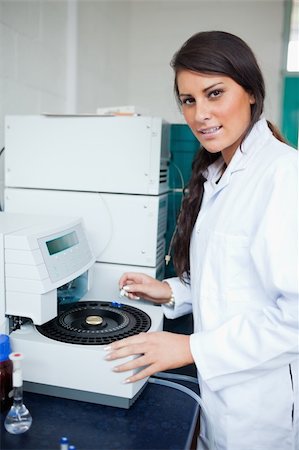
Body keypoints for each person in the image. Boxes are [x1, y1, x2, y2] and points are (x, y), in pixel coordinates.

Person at [104, 31, 298, 450]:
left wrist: (191, 347)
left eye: (214, 93)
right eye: (188, 100)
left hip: (260, 411)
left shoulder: (284, 176)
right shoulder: (218, 175)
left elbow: (295, 318)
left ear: (250, 91)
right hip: (219, 397)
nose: (200, 114)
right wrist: (170, 290)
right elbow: (233, 282)